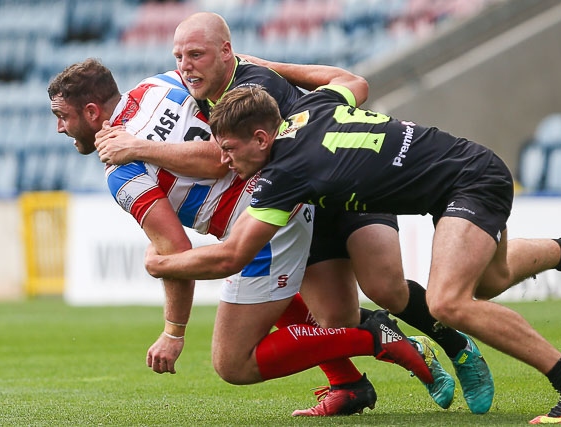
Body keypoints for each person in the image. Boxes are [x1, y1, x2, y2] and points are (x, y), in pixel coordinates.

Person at [95, 12, 494, 416]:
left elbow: (219, 160)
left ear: (226, 52)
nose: (184, 65)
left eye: (195, 54)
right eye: (178, 55)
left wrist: (137, 149)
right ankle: (383, 348)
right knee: (337, 316)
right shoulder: (201, 94)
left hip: (349, 184)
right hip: (302, 202)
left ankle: (459, 347)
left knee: (384, 288)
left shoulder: (255, 82)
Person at [143, 80, 561, 424]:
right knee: (490, 280)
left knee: (450, 302)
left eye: (228, 149)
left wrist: (162, 263)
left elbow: (231, 257)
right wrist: (273, 68)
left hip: (468, 182)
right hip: (466, 170)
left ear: (262, 139)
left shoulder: (282, 175)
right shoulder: (312, 106)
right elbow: (349, 83)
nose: (224, 162)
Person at [48, 58, 441, 416]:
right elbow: (230, 123)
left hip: (265, 220)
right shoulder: (160, 85)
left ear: (92, 112)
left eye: (62, 116)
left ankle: (371, 335)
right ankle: (348, 383)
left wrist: (173, 331)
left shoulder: (122, 169)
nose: (59, 127)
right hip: (289, 182)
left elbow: (175, 252)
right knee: (272, 304)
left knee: (233, 362)